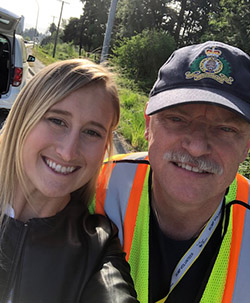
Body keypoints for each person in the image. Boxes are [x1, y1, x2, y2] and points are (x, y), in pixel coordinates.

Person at [91, 41, 250, 303]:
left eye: (225, 129)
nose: (197, 147)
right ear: (148, 124)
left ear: (246, 146)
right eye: (178, 119)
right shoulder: (95, 187)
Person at [0, 58, 139, 303]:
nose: (68, 151)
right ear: (24, 117)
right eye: (57, 121)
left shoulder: (97, 248)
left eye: (92, 132)